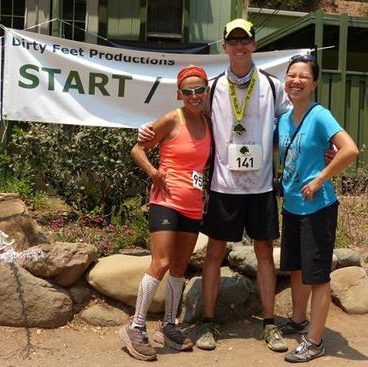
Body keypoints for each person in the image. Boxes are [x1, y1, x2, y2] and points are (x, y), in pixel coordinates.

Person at [139, 18, 291, 353]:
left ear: (254, 44)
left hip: (262, 187)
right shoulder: (214, 87)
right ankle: (207, 323)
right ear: (224, 46)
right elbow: (187, 114)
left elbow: (291, 123)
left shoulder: (271, 84)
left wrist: (309, 146)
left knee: (265, 253)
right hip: (224, 187)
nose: (239, 47)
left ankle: (269, 324)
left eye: (245, 41)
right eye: (233, 41)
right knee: (214, 254)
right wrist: (149, 133)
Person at [119, 65, 212, 361]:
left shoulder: (210, 123)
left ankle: (169, 325)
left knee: (180, 266)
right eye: (188, 91)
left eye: (199, 90)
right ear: (179, 94)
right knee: (160, 262)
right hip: (166, 201)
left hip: (193, 204)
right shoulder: (173, 118)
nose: (194, 95)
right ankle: (135, 326)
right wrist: (154, 173)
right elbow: (138, 149)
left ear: (206, 91)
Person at [275, 55, 358, 363]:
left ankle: (315, 342)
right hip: (293, 206)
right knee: (296, 268)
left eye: (303, 76)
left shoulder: (320, 115)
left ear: (314, 83)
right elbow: (270, 148)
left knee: (318, 275)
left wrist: (321, 178)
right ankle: (298, 320)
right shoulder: (283, 119)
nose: (295, 81)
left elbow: (349, 149)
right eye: (291, 75)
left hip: (317, 208)